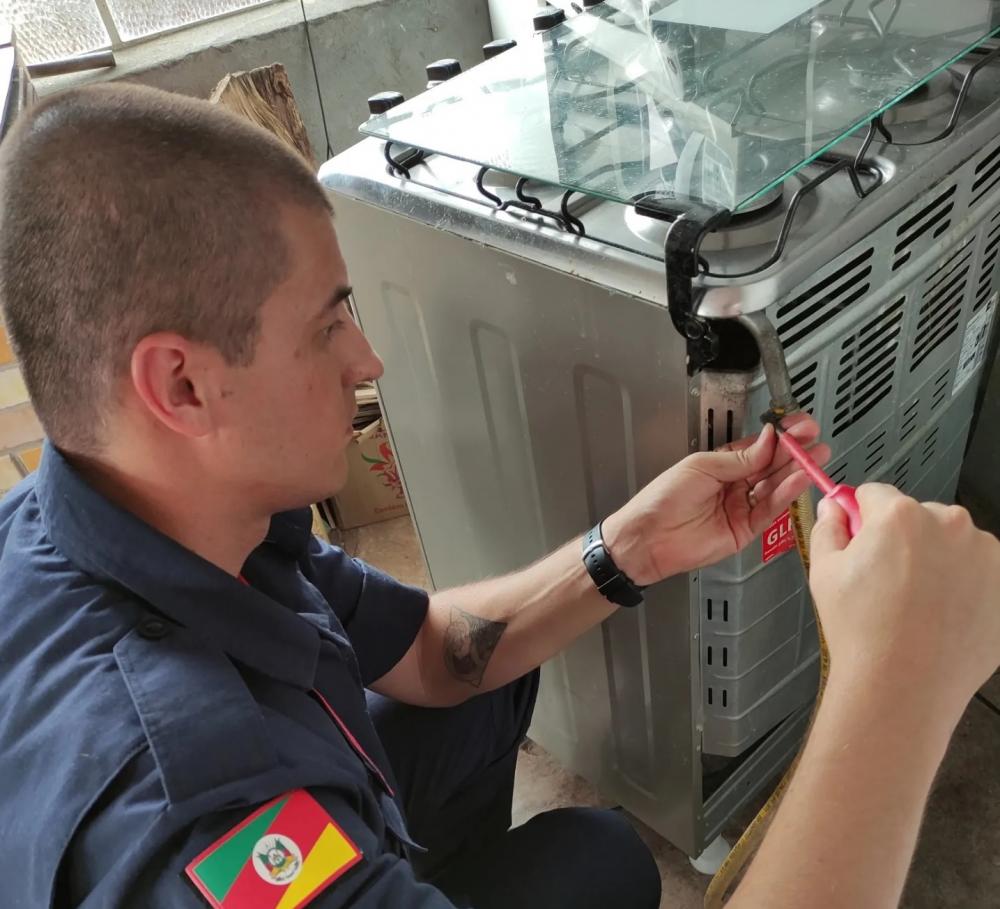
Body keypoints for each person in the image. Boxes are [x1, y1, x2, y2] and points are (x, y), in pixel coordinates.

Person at [0, 83, 996, 909]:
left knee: (493, 678)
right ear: (180, 385)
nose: (370, 358)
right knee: (601, 865)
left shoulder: (163, 519)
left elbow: (436, 651)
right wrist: (899, 680)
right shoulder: (205, 817)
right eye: (328, 325)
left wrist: (633, 545)